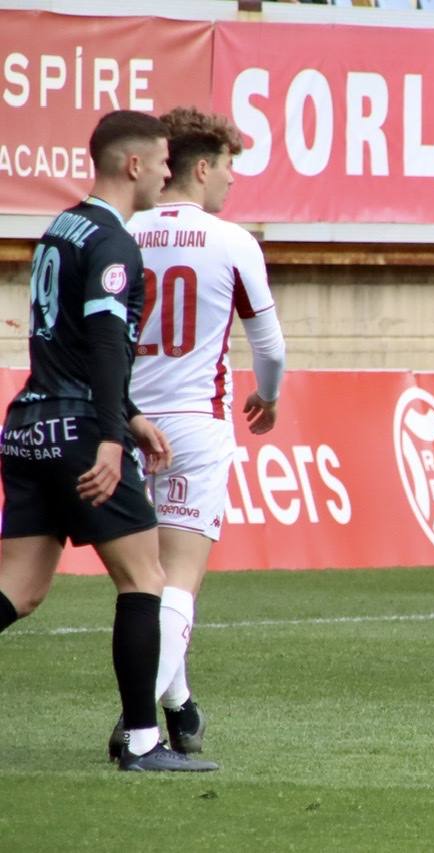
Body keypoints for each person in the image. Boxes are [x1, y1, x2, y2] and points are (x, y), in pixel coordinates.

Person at [0, 110, 217, 771]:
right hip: (79, 429)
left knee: (18, 590)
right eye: (158, 161)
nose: (163, 172)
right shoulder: (115, 243)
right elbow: (100, 341)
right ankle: (145, 742)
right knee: (145, 577)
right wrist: (114, 433)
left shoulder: (61, 230)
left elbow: (61, 340)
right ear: (132, 165)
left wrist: (131, 412)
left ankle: (148, 736)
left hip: (28, 423)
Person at [104, 106, 286, 761]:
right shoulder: (232, 241)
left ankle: (178, 706)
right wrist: (268, 396)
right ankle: (136, 724)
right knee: (175, 583)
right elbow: (269, 344)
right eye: (229, 166)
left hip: (124, 427)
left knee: (142, 583)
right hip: (194, 429)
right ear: (201, 167)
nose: (233, 181)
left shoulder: (123, 229)